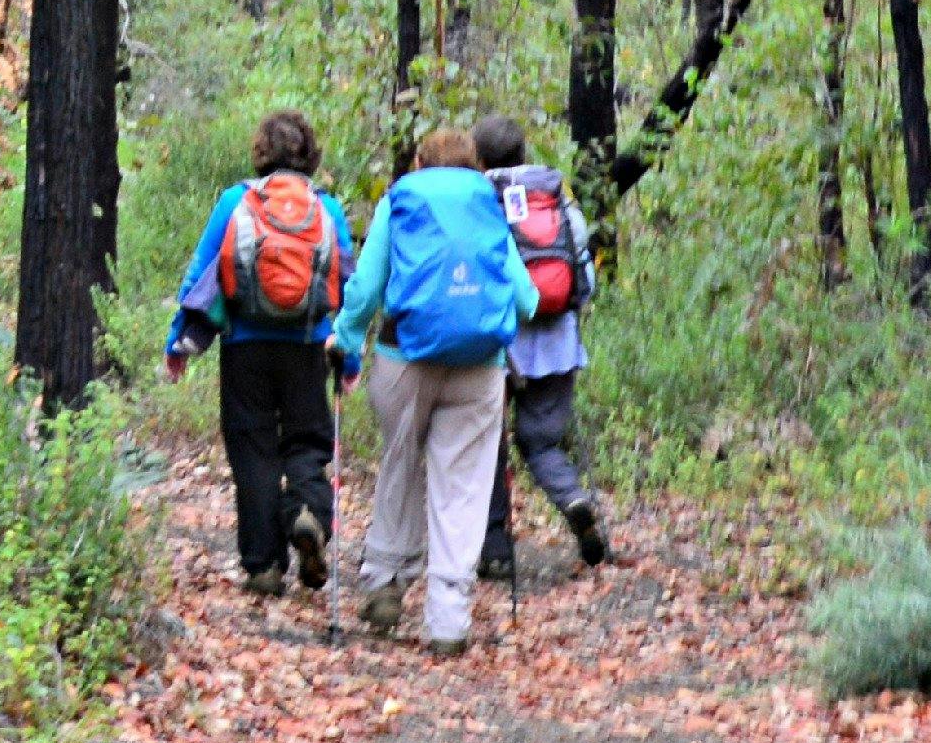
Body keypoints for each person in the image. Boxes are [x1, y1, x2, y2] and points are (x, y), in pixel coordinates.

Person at [331, 124, 534, 650]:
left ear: (420, 161)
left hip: (403, 358)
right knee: (462, 485)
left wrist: (347, 339)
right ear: (473, 164)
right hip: (480, 365)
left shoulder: (399, 200)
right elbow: (527, 298)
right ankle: (447, 619)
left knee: (400, 461)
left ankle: (384, 580)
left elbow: (368, 287)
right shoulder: (488, 204)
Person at [165, 111, 350, 598]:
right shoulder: (326, 208)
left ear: (262, 151)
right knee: (307, 444)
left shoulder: (236, 200)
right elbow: (348, 286)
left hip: (245, 346)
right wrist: (348, 360)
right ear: (310, 154)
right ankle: (307, 513)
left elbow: (201, 274)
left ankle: (264, 566)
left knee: (254, 451)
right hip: (309, 346)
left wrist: (179, 341)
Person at [470, 112, 618, 580]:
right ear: (523, 152)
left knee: (487, 441)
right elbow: (584, 277)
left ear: (479, 158)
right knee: (541, 441)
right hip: (557, 338)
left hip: (499, 341)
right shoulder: (556, 196)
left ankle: (494, 549)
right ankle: (576, 501)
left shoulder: (479, 200)